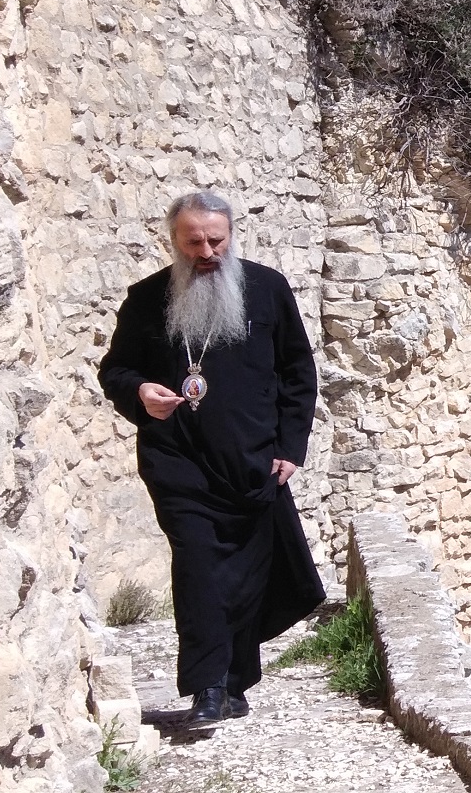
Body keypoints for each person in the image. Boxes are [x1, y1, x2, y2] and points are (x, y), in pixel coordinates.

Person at [98, 191, 325, 727]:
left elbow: (298, 372)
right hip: (178, 461)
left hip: (253, 462)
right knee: (199, 567)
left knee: (247, 574)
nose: (206, 252)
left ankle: (237, 679)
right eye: (193, 241)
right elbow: (116, 370)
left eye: (215, 240)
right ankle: (207, 685)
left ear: (231, 235)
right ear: (175, 240)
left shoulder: (266, 289)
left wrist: (290, 448)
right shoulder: (148, 298)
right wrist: (141, 392)